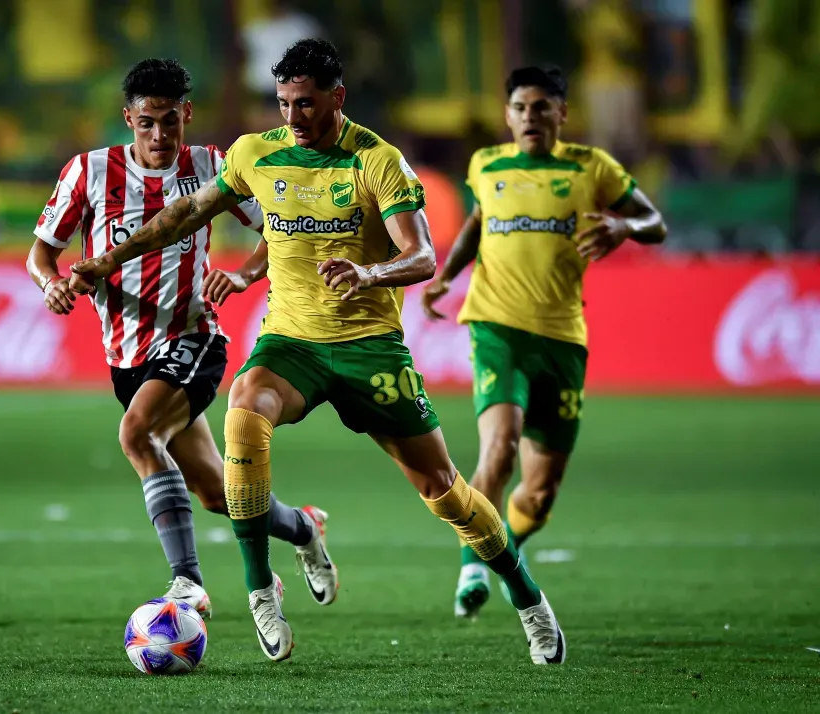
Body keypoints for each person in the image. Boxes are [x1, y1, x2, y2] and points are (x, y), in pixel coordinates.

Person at [70, 40, 564, 666]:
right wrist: (108, 260)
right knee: (244, 410)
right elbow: (184, 214)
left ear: (337, 97)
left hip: (369, 347)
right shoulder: (257, 153)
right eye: (282, 103)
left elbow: (422, 256)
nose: (292, 117)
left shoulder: (378, 161)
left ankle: (529, 601)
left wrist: (369, 274)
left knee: (443, 489)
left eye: (305, 104)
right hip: (292, 342)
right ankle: (259, 593)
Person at [26, 58, 335, 619]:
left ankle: (187, 583)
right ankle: (303, 527)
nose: (160, 134)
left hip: (193, 337)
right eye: (147, 122)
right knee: (220, 495)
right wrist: (51, 284)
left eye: (171, 120)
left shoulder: (213, 167)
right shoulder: (89, 171)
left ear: (187, 114)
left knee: (138, 434)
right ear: (129, 119)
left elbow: (279, 228)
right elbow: (42, 253)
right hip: (126, 356)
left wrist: (242, 274)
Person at [421, 65, 666, 618]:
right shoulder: (487, 164)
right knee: (499, 446)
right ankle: (473, 563)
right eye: (520, 108)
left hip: (560, 338)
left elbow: (655, 222)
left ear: (562, 113)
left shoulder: (591, 168)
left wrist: (625, 228)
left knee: (540, 491)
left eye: (541, 106)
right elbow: (480, 222)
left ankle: (510, 546)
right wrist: (445, 276)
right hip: (495, 327)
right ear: (508, 115)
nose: (530, 116)